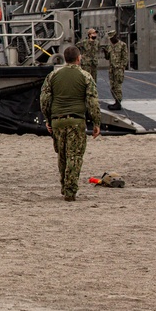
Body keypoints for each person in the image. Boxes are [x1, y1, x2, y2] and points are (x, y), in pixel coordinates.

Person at [39, 45, 101, 202]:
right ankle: (70, 190)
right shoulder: (85, 76)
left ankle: (64, 185)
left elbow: (44, 100)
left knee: (62, 155)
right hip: (76, 121)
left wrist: (48, 119)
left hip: (58, 121)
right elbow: (92, 101)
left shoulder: (53, 75)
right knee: (74, 156)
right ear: (79, 58)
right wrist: (96, 122)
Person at [103, 30, 129, 110]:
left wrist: (121, 67)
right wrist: (105, 52)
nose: (111, 40)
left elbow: (125, 58)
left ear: (115, 36)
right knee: (112, 87)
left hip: (118, 69)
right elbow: (108, 58)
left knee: (118, 86)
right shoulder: (110, 46)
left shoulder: (122, 45)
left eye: (112, 38)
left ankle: (118, 103)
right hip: (112, 69)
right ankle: (116, 100)